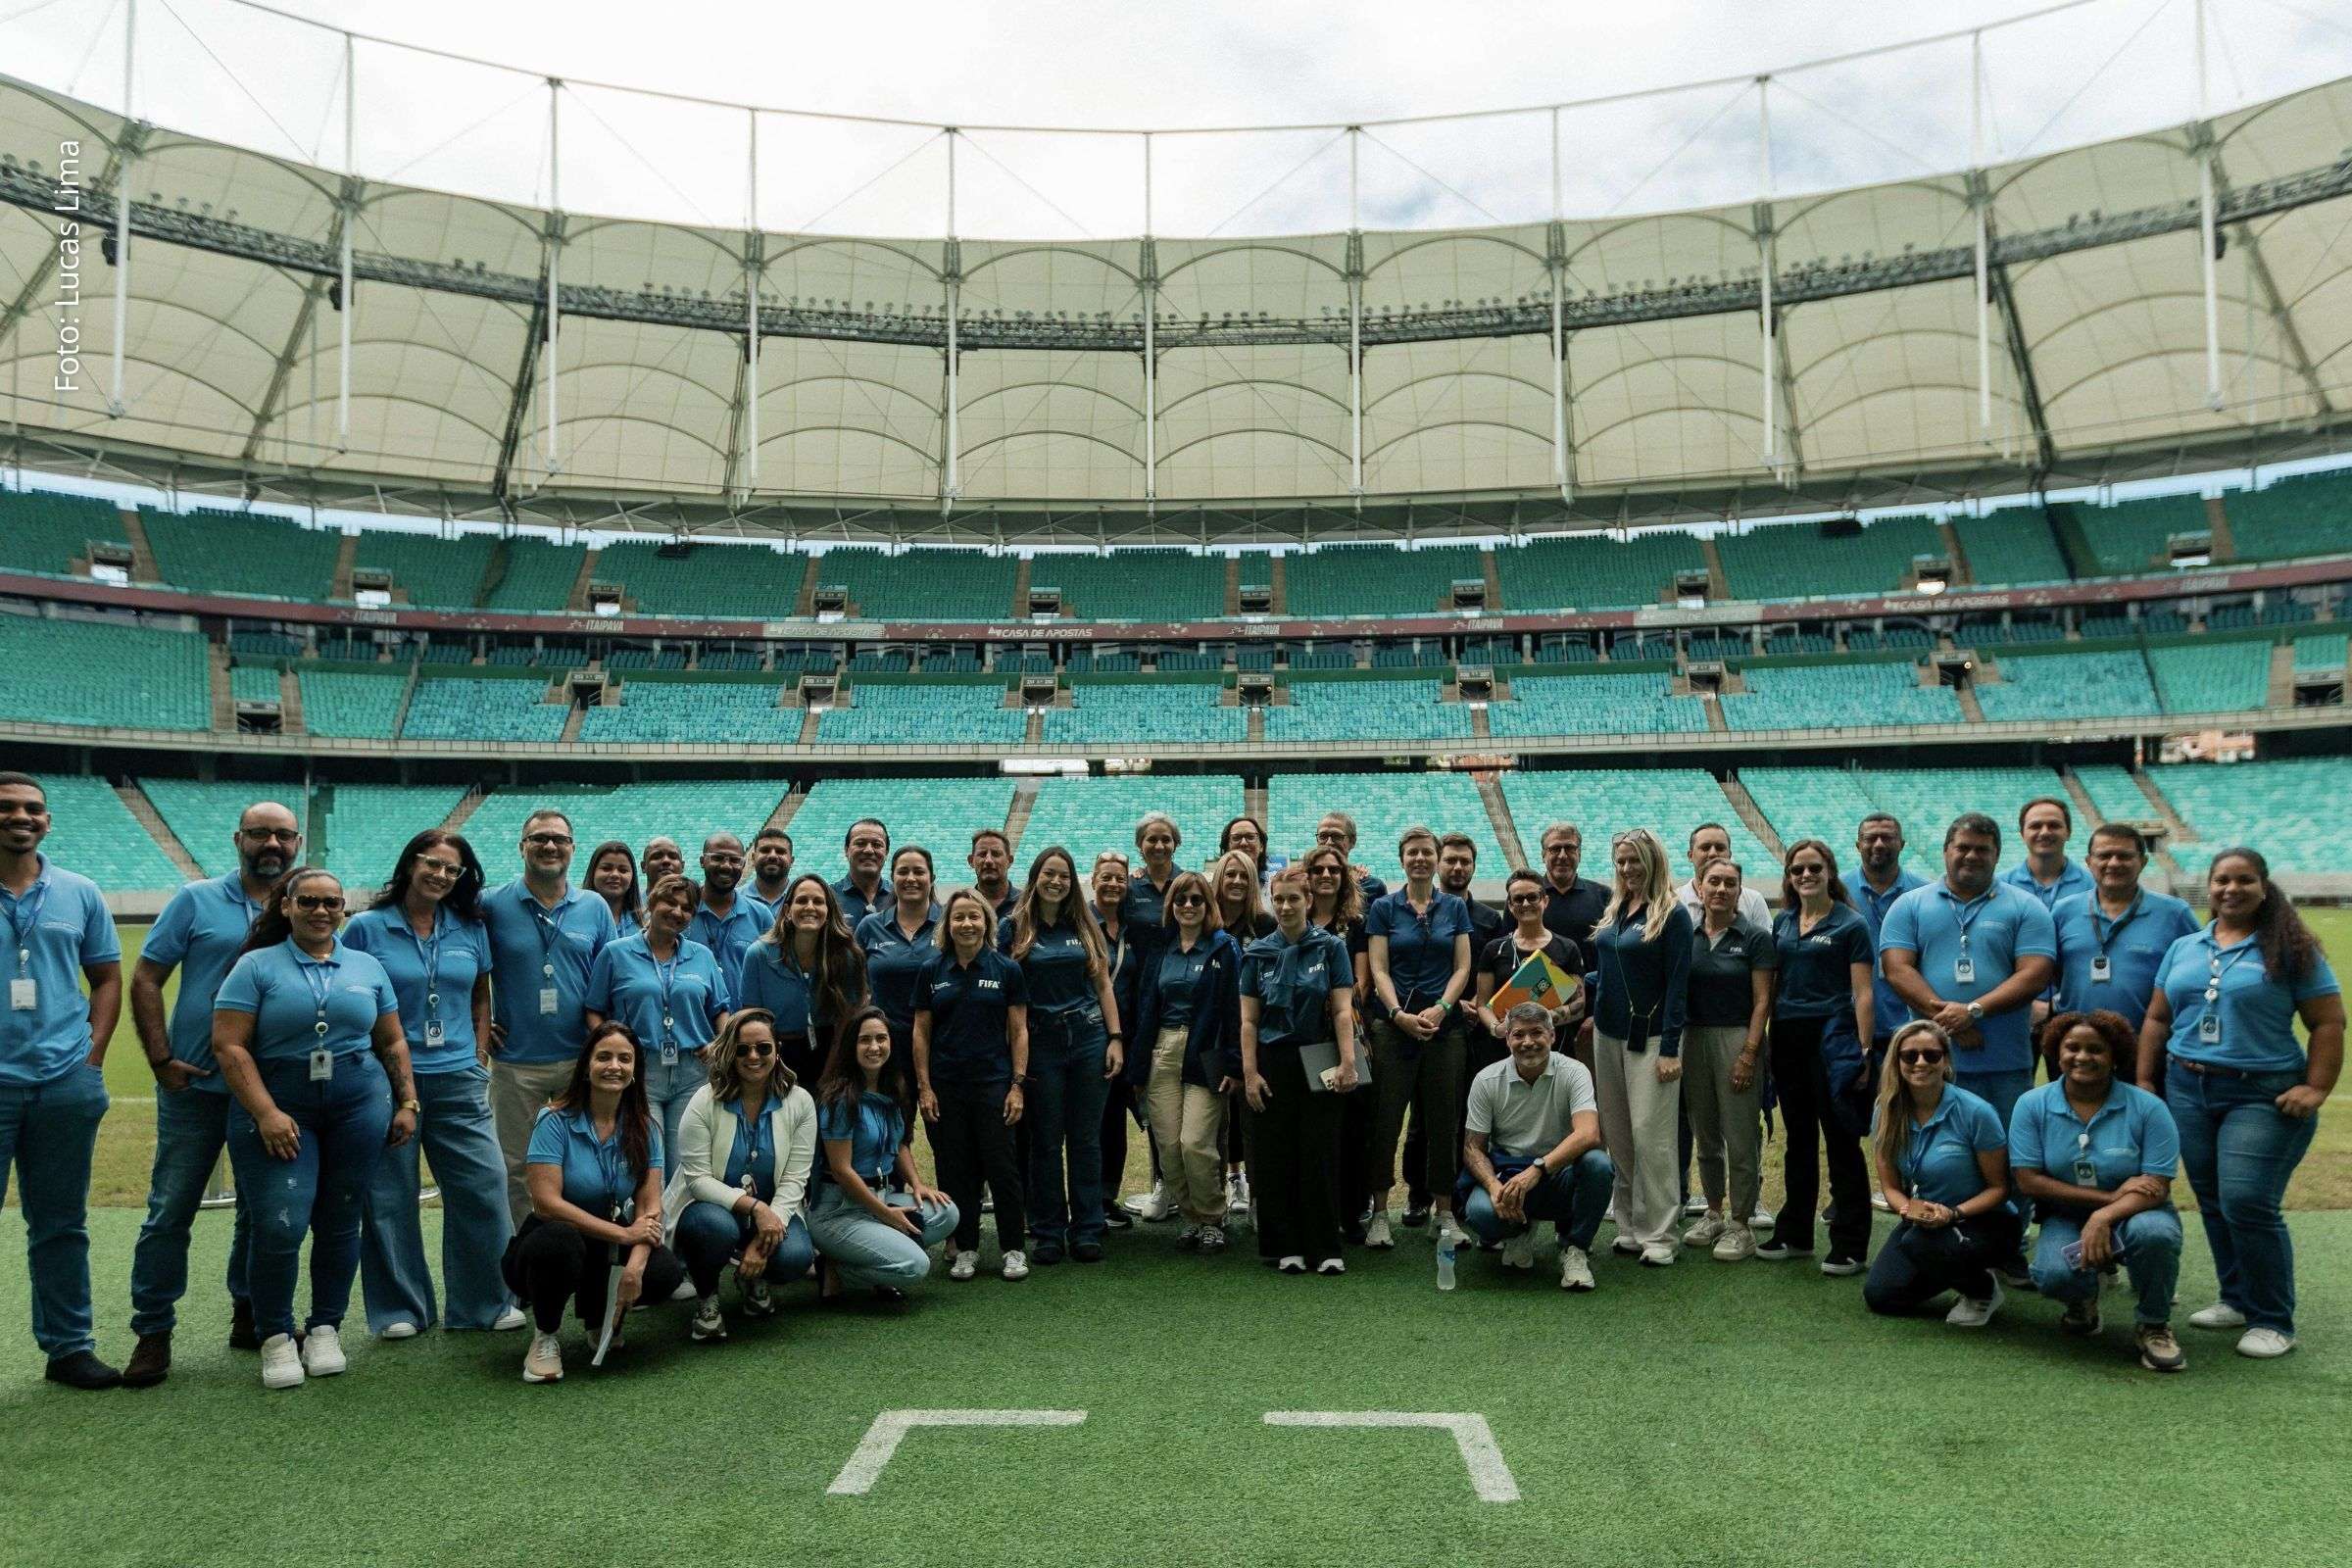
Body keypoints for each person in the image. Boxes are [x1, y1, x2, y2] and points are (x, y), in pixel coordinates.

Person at [213, 868, 418, 1391]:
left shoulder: (366, 966)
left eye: (332, 903)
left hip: (357, 1102)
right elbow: (230, 1046)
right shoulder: (255, 966)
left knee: (341, 1219)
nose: (321, 911)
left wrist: (407, 1101)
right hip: (281, 1103)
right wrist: (265, 1113)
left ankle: (325, 1325)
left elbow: (391, 1041)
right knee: (280, 1223)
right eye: (308, 901)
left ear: (344, 910)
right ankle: (276, 1335)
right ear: (286, 906)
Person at [2139, 848, 2342, 1359]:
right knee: (2211, 1198)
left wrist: (2316, 1088)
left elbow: (2328, 1023)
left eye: (2244, 880)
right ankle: (2236, 1298)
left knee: (2247, 1200)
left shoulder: (2291, 949)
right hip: (2188, 1086)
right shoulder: (2187, 946)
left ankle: (2274, 1318)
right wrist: (2146, 1079)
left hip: (2262, 1092)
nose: (2231, 889)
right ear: (2208, 888)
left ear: (2264, 886)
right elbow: (2158, 1019)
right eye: (2222, 881)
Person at [123, 798, 295, 1383]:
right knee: (171, 1210)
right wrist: (159, 1057)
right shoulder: (196, 900)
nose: (271, 845)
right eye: (259, 835)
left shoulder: (300, 905)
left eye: (283, 836)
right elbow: (146, 976)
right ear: (238, 839)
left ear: (297, 844)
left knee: (258, 1210)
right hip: (194, 1087)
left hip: (265, 1091)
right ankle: (152, 1331)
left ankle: (248, 1314)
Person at [345, 831, 519, 1340]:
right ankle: (400, 1309)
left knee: (484, 1188)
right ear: (410, 864)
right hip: (388, 1081)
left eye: (453, 870)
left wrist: (481, 1054)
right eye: (433, 864)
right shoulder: (365, 929)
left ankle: (485, 1302)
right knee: (388, 1195)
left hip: (460, 1078)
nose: (441, 875)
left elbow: (481, 996)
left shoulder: (469, 926)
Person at [0, 772, 124, 1390]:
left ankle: (69, 1347)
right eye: (8, 808)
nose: (21, 816)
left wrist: (93, 1056)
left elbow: (106, 977)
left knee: (61, 1224)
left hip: (63, 1081)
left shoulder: (79, 892)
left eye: (33, 809)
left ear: (47, 821)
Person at [504, 1021, 686, 1384]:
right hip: (546, 1243)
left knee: (663, 1272)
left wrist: (634, 1268)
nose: (614, 1066)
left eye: (624, 1059)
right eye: (603, 1057)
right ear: (586, 1066)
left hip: (607, 1242)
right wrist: (623, 1237)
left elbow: (651, 1208)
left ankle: (598, 1320)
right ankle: (545, 1336)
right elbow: (546, 1203)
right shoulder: (554, 1119)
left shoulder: (646, 1127)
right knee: (560, 1241)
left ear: (635, 1070)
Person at [2012, 1010, 2186, 1371]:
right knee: (2053, 1273)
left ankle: (2154, 1324)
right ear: (2056, 1053)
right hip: (2068, 1215)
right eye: (2071, 1047)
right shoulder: (2032, 1105)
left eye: (2096, 1049)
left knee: (2154, 1235)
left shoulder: (2149, 1108)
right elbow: (2028, 1180)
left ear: (2114, 1056)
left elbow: (2156, 1188)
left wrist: (2106, 1216)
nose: (2082, 1056)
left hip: (2137, 1216)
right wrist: (2105, 1202)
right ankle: (2083, 1301)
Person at [483, 808, 618, 1224]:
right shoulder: (491, 904)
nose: (549, 846)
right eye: (539, 838)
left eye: (559, 839)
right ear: (522, 846)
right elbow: (469, 973)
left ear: (572, 848)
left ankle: (581, 1246)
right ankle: (526, 1252)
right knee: (517, 1165)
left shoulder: (594, 906)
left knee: (583, 1163)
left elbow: (611, 977)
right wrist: (479, 1025)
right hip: (514, 1062)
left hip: (579, 1060)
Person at [1758, 839, 1878, 1275]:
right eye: (1797, 870)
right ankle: (1796, 1232)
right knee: (1800, 1139)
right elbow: (1772, 988)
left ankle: (1850, 1242)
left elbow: (1864, 994)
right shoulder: (1784, 922)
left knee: (1842, 1139)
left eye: (1814, 868)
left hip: (1834, 1037)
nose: (1805, 876)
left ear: (1829, 871)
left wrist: (1865, 1053)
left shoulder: (1851, 925)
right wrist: (1769, 1039)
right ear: (1789, 878)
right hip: (1789, 1036)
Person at [663, 1009, 818, 1343]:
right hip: (710, 1209)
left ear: (777, 1050)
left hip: (773, 1208)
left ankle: (752, 1278)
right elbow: (698, 1180)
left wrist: (763, 1240)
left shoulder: (800, 1102)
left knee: (795, 1256)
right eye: (742, 1049)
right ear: (728, 1053)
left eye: (763, 1048)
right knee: (713, 1229)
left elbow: (795, 1179)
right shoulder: (703, 1102)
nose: (753, 1057)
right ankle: (707, 1298)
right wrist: (756, 1209)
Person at [1004, 847, 1124, 1264]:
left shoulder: (1084, 924)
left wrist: (1115, 1037)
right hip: (1041, 1045)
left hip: (1089, 1038)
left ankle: (1088, 1228)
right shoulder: (1013, 928)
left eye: (1064, 876)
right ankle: (1049, 1231)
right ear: (1036, 877)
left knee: (1086, 1139)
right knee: (1046, 1142)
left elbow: (1103, 984)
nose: (1056, 881)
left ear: (1073, 883)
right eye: (1049, 874)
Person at [1239, 864, 1359, 1274]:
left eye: (1294, 898)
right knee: (1277, 1154)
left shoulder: (1331, 948)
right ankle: (1285, 1245)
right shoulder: (1257, 954)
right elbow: (1249, 1021)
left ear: (1309, 900)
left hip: (1319, 1056)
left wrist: (1347, 1061)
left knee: (1320, 1151)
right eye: (1279, 899)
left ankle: (1325, 1247)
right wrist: (1250, 1073)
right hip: (1273, 1061)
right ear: (1270, 903)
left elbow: (1343, 1010)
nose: (1286, 905)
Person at [1860, 1021, 2017, 1327]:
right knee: (1881, 1295)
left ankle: (1982, 1290)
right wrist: (1904, 1208)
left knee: (1920, 1245)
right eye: (1910, 1056)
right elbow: (1890, 1185)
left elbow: (1999, 1189)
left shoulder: (1976, 1112)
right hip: (1923, 1221)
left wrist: (1953, 1213)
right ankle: (1957, 1273)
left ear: (1945, 1061)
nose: (1921, 1063)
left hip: (1984, 1220)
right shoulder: (1886, 1109)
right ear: (1897, 1061)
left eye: (1931, 1055)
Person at [1362, 826, 1474, 1250]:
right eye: (1413, 852)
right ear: (1402, 858)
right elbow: (1379, 969)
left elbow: (1462, 967)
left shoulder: (1454, 909)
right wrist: (1397, 1015)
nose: (1421, 859)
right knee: (1385, 1121)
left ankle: (1443, 1212)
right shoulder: (1384, 908)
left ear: (1437, 856)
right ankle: (1378, 1213)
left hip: (1443, 1031)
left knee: (1444, 1124)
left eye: (1427, 852)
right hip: (1394, 1031)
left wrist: (1442, 1008)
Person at [1585, 829, 1692, 1264]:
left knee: (1654, 1137)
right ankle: (1629, 1225)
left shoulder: (1673, 914)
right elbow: (1605, 974)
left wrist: (1670, 1047)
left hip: (1651, 1040)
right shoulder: (1616, 910)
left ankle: (1661, 1234)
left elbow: (1678, 985)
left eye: (1635, 860)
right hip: (1607, 1036)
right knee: (1619, 1135)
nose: (1628, 869)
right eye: (1621, 861)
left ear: (1653, 861)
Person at [914, 889, 1032, 1281]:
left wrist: (1017, 1084)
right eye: (958, 917)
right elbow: (921, 1034)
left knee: (1002, 1168)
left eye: (974, 917)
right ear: (948, 925)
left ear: (987, 922)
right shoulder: (932, 971)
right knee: (955, 1169)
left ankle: (1013, 1248)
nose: (967, 924)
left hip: (993, 1085)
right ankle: (965, 1247)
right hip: (947, 1087)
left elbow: (1018, 1031)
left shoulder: (1006, 970)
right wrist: (924, 1087)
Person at [1460, 1003, 1617, 1291]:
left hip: (1558, 1173)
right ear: (1507, 1038)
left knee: (1598, 1164)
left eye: (1537, 1033)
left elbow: (1589, 1133)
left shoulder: (1574, 1072)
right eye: (1519, 1035)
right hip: (1508, 1177)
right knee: (1481, 1214)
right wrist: (1495, 1189)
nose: (1528, 1042)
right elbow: (1472, 1148)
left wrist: (1538, 1169)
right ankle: (1518, 1231)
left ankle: (1575, 1249)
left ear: (1552, 1035)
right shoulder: (1486, 1079)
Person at [808, 1006, 959, 1302]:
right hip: (839, 1210)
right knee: (915, 1266)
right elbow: (841, 1170)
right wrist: (887, 1216)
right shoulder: (839, 1098)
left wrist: (916, 1183)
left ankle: (865, 1259)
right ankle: (836, 1270)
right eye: (865, 1040)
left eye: (881, 1038)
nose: (874, 1047)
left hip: (881, 1198)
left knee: (947, 1213)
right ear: (851, 1046)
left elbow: (900, 1143)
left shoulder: (892, 1088)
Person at [1126, 870, 1244, 1251]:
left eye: (1196, 899)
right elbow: (1147, 1007)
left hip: (1205, 1052)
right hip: (1163, 1049)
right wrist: (1139, 1066)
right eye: (1181, 900)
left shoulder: (1223, 949)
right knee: (1169, 1147)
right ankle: (1193, 1217)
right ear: (1171, 906)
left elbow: (1234, 1010)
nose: (1188, 906)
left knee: (1195, 1142)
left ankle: (1213, 1216)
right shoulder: (1162, 949)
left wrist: (1234, 1064)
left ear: (1208, 904)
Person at [584, 873, 733, 1170]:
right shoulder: (616, 953)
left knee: (686, 1162)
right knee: (647, 1159)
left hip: (693, 1070)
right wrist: (610, 1047)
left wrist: (719, 1044)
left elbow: (721, 1009)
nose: (677, 912)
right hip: (641, 1069)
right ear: (652, 901)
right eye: (669, 902)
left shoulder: (701, 956)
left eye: (686, 908)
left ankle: (677, 1218)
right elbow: (593, 1009)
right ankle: (649, 1216)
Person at [1680, 858, 1775, 1262]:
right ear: (1699, 887)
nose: (1720, 889)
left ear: (1740, 891)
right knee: (1705, 1131)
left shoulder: (1753, 937)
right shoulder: (1687, 935)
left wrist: (1749, 1054)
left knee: (1739, 1134)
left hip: (1738, 1036)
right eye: (1713, 881)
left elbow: (1762, 1001)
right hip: (1694, 1036)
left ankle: (1741, 1222)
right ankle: (1714, 1211)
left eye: (1729, 883)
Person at [2050, 824, 2197, 1033]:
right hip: (2078, 1045)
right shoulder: (2062, 911)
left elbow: (2195, 975)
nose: (2114, 863)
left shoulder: (2175, 914)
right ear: (2089, 862)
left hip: (2147, 1043)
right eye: (2104, 856)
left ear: (2143, 862)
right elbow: (2046, 970)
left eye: (2124, 856)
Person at [1303, 843, 1377, 1243]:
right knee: (1318, 1129)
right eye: (1318, 870)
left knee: (1353, 1125)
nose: (1326, 876)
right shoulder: (1296, 919)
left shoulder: (1357, 923)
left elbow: (1360, 980)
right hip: (1308, 1036)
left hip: (1352, 1029)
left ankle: (1353, 1212)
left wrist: (1341, 1015)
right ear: (1308, 876)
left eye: (1334, 870)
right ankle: (1320, 1209)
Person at [738, 872, 866, 1087]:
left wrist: (830, 1072)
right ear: (787, 911)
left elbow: (847, 1021)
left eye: (818, 901)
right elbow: (751, 1016)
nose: (809, 907)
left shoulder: (846, 956)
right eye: (801, 901)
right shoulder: (758, 955)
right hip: (774, 1050)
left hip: (832, 1050)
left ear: (828, 911)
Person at [1208, 848, 1269, 1221]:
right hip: (1213, 1035)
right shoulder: (1205, 924)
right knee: (1213, 1116)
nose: (1236, 882)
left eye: (1244, 875)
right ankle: (1215, 1193)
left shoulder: (1264, 926)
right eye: (1229, 874)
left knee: (1251, 1114)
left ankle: (1249, 1184)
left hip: (1253, 1035)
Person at [1091, 852, 1149, 1232]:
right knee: (1090, 1124)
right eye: (1106, 877)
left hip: (1131, 1037)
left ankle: (1108, 1198)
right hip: (1091, 1037)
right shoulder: (1080, 925)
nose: (1113, 884)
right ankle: (1088, 1201)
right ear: (1093, 880)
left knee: (1116, 1123)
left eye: (1120, 879)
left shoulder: (1135, 928)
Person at [855, 846, 941, 1060]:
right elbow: (853, 983)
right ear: (892, 878)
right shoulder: (869, 926)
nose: (910, 878)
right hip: (884, 1046)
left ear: (932, 878)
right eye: (903, 872)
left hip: (941, 1043)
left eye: (919, 872)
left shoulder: (950, 923)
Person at [688, 832, 773, 978]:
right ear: (702, 861)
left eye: (735, 860)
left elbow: (773, 968)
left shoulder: (760, 915)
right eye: (717, 858)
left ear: (744, 865)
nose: (726, 866)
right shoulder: (682, 911)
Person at [1672, 823, 1771, 929]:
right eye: (1705, 848)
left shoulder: (1753, 901)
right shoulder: (1674, 902)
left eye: (1720, 848)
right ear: (1690, 855)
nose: (1713, 853)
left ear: (1729, 855)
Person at [1536, 822, 1609, 950]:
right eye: (1555, 849)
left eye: (1570, 848)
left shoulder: (1604, 896)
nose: (1563, 855)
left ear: (1579, 854)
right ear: (1543, 855)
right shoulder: (1525, 898)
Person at [1121, 812, 1184, 958]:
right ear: (1139, 844)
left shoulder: (1188, 884)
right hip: (1138, 976)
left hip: (1176, 975)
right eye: (1152, 839)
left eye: (1166, 840)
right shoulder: (1129, 886)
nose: (1159, 846)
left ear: (1175, 844)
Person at [1314, 811, 1389, 906]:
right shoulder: (1305, 883)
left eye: (1337, 836)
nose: (1329, 842)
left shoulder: (1372, 887)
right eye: (1323, 836)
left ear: (1352, 841)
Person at [834, 819, 891, 930]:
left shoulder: (899, 898)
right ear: (846, 850)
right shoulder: (829, 897)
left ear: (886, 852)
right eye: (860, 844)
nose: (869, 850)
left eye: (877, 845)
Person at [585, 841, 643, 940]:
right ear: (592, 873)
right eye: (606, 868)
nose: (615, 875)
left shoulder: (645, 925)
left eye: (623, 870)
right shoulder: (575, 918)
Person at [968, 827, 1022, 922]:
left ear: (1009, 861)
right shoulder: (962, 906)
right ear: (971, 861)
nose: (988, 860)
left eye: (996, 854)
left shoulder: (1026, 904)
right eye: (982, 854)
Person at [749, 827, 796, 909]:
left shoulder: (805, 899)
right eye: (765, 850)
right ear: (753, 858)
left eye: (780, 851)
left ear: (791, 861)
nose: (772, 856)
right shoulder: (734, 899)